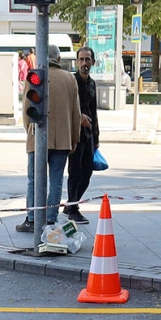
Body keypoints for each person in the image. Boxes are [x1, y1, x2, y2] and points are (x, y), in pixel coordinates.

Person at [19, 54, 81, 232]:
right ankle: (51, 219)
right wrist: (74, 137)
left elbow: (26, 108)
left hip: (37, 136)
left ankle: (32, 219)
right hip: (62, 139)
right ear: (59, 58)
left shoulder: (35, 75)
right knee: (56, 181)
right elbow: (76, 111)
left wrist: (29, 131)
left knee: (34, 180)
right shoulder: (70, 78)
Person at [64, 46, 100, 224]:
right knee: (75, 173)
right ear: (77, 62)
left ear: (93, 62)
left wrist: (97, 138)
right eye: (81, 59)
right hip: (74, 135)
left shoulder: (92, 84)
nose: (84, 63)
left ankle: (71, 204)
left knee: (87, 173)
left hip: (89, 136)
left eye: (88, 60)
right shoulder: (72, 81)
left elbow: (94, 112)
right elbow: (65, 108)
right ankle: (73, 209)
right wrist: (79, 118)